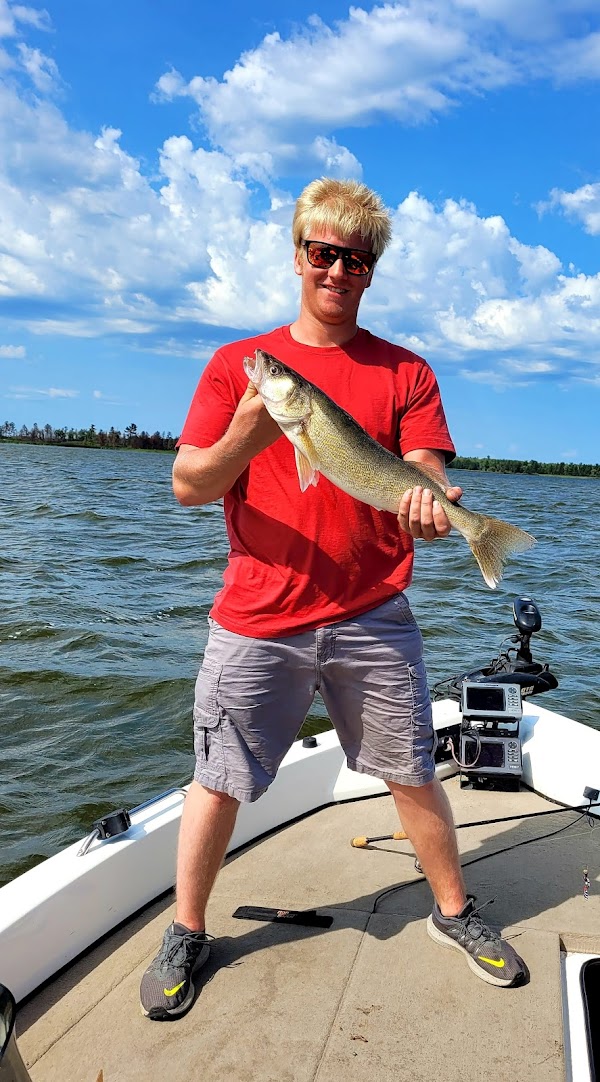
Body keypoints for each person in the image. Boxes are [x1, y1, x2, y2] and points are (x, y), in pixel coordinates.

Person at [140, 177, 526, 1020]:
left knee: (413, 771)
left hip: (374, 614)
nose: (338, 271)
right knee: (217, 779)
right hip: (257, 617)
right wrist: (251, 426)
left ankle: (454, 911)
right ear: (298, 256)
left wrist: (433, 504)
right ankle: (187, 929)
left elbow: (421, 467)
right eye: (323, 253)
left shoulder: (407, 370)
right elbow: (188, 485)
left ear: (371, 271)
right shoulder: (238, 369)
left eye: (356, 259)